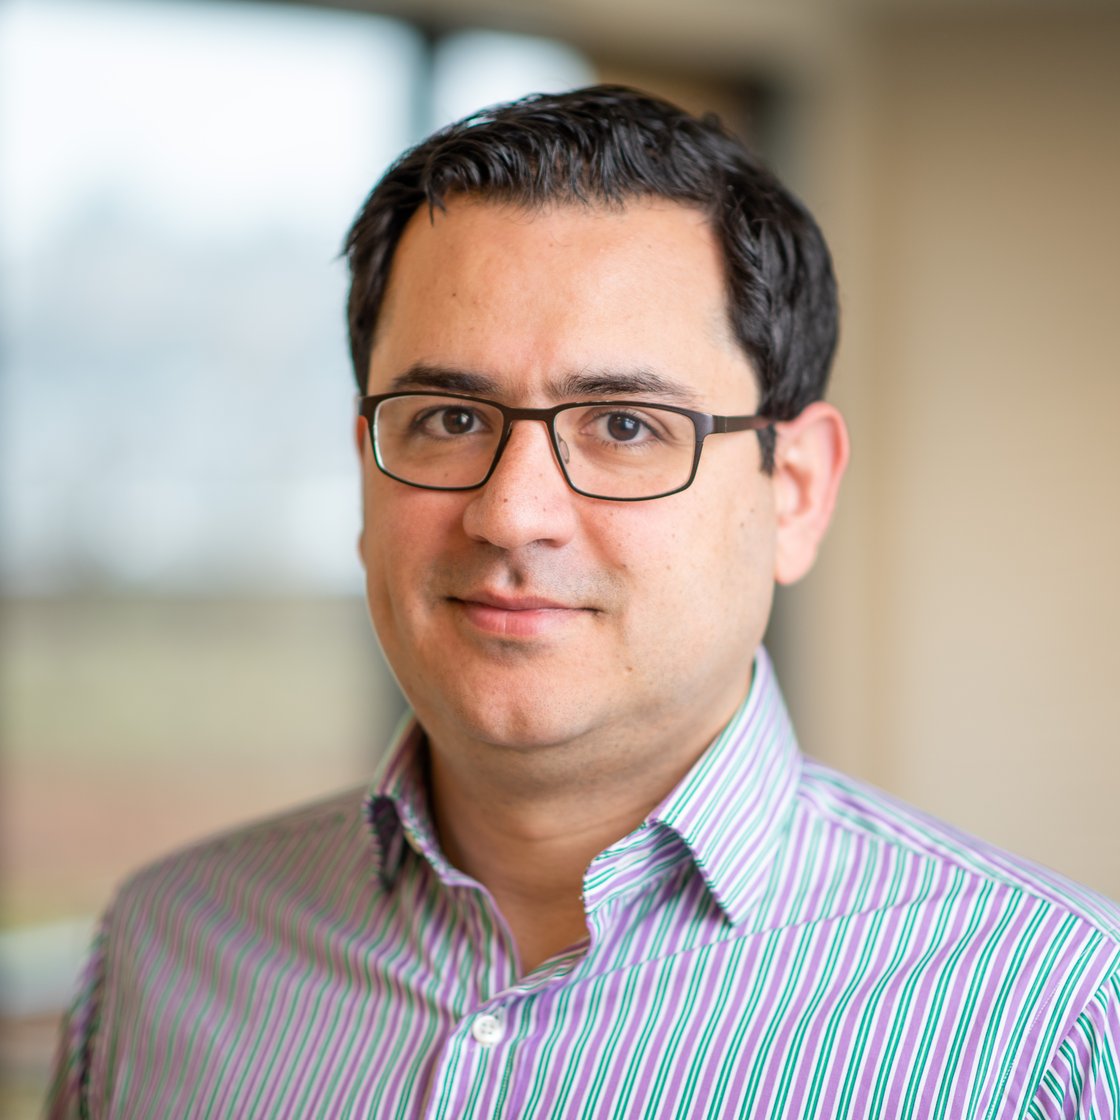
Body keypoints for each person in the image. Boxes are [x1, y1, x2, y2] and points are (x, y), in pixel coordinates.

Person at [48, 86, 1118, 1119]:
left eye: (622, 425)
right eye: (448, 419)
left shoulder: (1053, 1024)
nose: (511, 515)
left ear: (792, 493)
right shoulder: (167, 947)